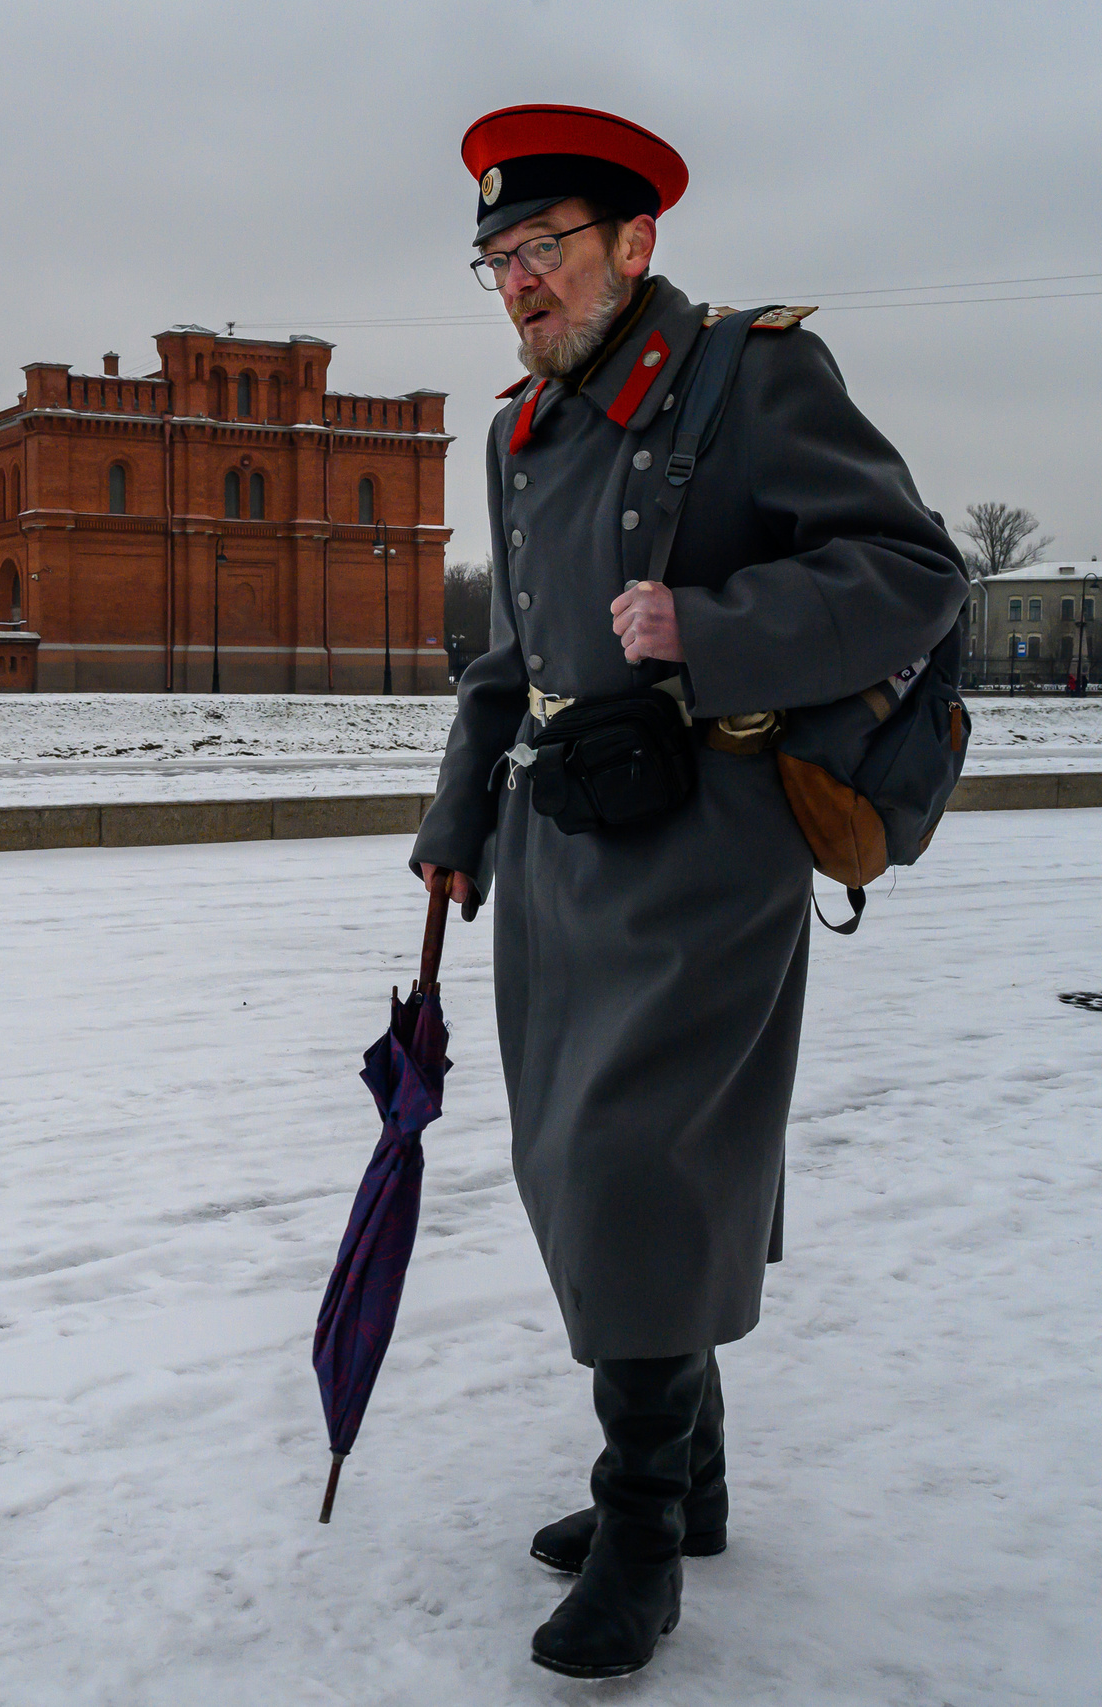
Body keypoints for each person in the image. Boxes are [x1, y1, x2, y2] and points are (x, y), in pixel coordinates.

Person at [410, 103, 967, 1680]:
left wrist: (709, 627)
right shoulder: (519, 428)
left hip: (708, 845)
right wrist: (459, 819)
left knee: (639, 1159)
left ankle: (644, 1528)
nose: (519, 282)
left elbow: (914, 571)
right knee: (580, 1164)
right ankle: (696, 1476)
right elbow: (507, 660)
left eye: (545, 250)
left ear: (633, 244)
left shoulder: (746, 375)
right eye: (497, 260)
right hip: (563, 851)